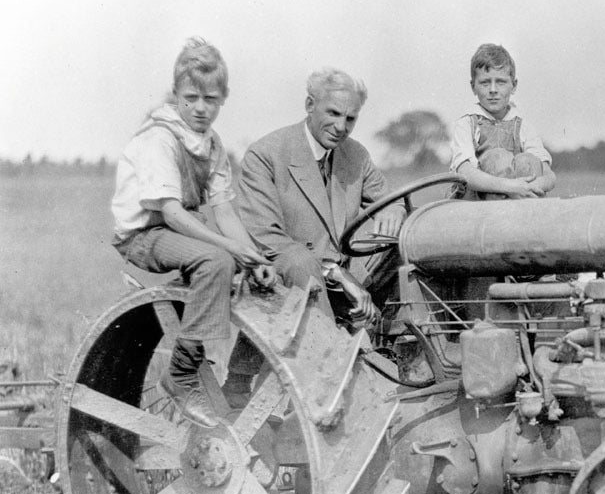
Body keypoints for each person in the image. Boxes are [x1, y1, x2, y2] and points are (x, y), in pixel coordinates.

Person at [110, 37, 275, 427]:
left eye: (211, 99)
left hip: (178, 227)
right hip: (144, 234)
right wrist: (228, 248)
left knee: (234, 262)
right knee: (216, 259)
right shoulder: (159, 137)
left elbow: (223, 209)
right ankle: (182, 374)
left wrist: (255, 257)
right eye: (191, 98)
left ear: (223, 99)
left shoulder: (212, 145)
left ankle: (235, 376)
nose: (201, 109)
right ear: (176, 94)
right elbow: (169, 211)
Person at [229, 67, 402, 401]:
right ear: (310, 104)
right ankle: (329, 383)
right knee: (302, 263)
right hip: (285, 273)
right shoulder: (266, 155)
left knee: (405, 251)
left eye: (350, 118)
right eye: (333, 113)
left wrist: (393, 212)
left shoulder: (356, 155)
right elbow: (268, 238)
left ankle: (392, 355)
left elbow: (389, 199)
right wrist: (334, 271)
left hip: (336, 280)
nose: (341, 127)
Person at [449, 43, 556, 199]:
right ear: (473, 87)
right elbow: (465, 173)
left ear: (513, 85)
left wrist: (529, 187)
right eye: (485, 83)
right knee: (497, 158)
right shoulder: (467, 123)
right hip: (474, 206)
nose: (493, 90)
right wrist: (510, 187)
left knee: (528, 161)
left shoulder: (522, 126)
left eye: (501, 82)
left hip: (520, 198)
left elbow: (549, 175)